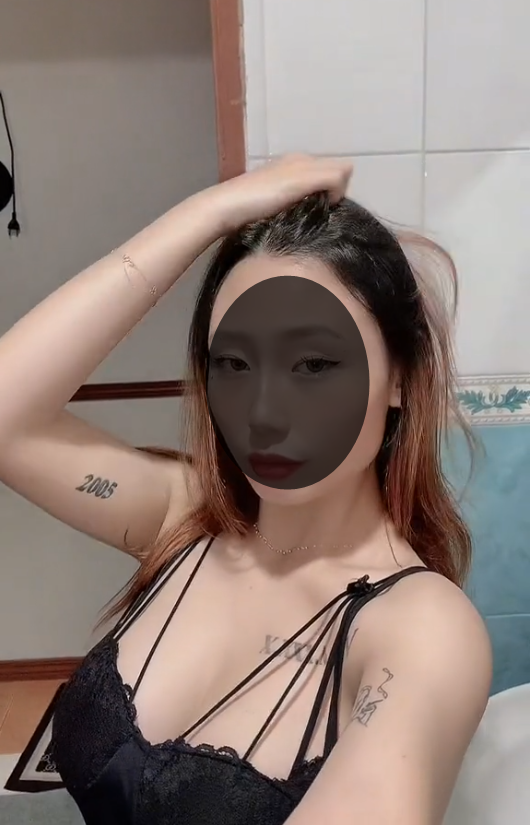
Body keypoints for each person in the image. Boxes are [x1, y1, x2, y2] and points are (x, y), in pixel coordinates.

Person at [0, 155, 492, 825]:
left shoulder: (420, 630)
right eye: (232, 363)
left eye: (313, 364)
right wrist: (208, 213)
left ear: (400, 379)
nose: (262, 414)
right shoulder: (184, 520)